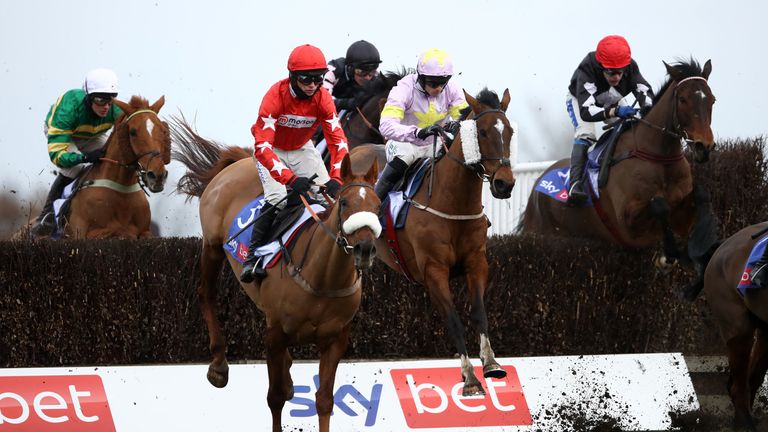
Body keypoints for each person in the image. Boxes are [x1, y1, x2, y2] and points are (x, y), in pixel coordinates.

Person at [240, 44, 350, 283]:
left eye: (318, 79)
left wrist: (336, 177)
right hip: (271, 149)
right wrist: (290, 179)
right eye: (306, 79)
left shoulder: (323, 98)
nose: (312, 85)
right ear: (292, 76)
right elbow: (263, 147)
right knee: (278, 198)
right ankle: (252, 256)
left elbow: (338, 142)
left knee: (329, 198)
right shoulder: (275, 96)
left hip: (301, 148)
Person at [31, 68, 122, 236]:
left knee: (112, 158)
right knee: (75, 168)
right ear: (88, 97)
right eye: (100, 100)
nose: (106, 106)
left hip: (93, 134)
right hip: (63, 133)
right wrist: (84, 157)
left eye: (110, 100)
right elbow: (58, 156)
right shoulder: (69, 108)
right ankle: (47, 217)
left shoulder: (114, 109)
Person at [565, 35, 654, 206]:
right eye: (611, 72)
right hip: (581, 101)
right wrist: (615, 111)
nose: (617, 77)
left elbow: (645, 91)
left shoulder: (631, 66)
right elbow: (587, 111)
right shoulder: (587, 68)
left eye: (620, 71)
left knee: (630, 127)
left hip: (610, 97)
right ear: (601, 67)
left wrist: (646, 108)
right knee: (586, 134)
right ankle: (575, 184)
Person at [374, 48, 468, 201]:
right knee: (405, 157)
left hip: (435, 145)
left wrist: (456, 125)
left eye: (442, 84)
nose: (438, 89)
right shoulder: (404, 88)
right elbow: (386, 126)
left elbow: (466, 119)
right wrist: (417, 132)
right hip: (404, 144)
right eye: (433, 84)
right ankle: (375, 203)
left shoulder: (452, 89)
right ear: (421, 78)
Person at [323, 40, 382, 113]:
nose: (367, 77)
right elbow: (323, 101)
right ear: (350, 69)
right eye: (362, 72)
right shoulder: (334, 70)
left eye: (372, 72)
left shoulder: (375, 77)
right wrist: (348, 103)